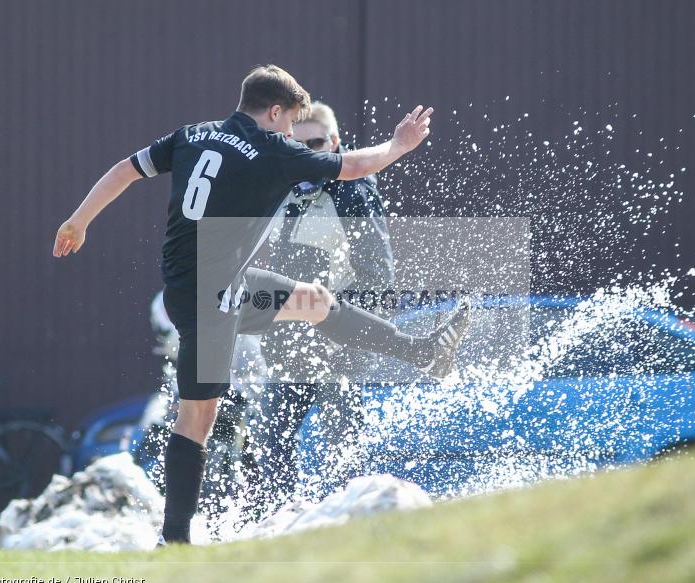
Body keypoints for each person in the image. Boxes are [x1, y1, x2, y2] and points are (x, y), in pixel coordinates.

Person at [52, 65, 471, 546]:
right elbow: (355, 166)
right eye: (292, 122)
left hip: (213, 286)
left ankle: (423, 353)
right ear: (274, 112)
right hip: (211, 300)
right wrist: (399, 146)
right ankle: (175, 540)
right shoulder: (274, 149)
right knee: (198, 417)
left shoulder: (192, 135)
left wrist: (77, 221)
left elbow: (125, 169)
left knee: (314, 301)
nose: (293, 133)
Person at [257, 101, 396, 506]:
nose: (306, 153)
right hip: (290, 339)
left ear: (334, 143)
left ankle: (353, 524)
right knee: (274, 443)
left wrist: (341, 334)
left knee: (343, 444)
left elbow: (378, 278)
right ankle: (277, 526)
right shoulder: (287, 189)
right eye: (296, 145)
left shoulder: (352, 191)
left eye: (315, 143)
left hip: (340, 338)